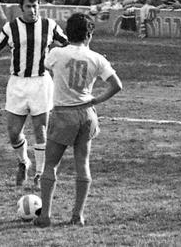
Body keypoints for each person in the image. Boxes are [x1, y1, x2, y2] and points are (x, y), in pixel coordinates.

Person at [36, 12, 123, 228]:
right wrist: (95, 99)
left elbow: (46, 64)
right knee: (82, 163)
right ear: (89, 35)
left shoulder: (57, 53)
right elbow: (116, 85)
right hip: (86, 114)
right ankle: (78, 215)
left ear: (68, 32)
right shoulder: (96, 58)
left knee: (50, 164)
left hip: (63, 112)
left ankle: (45, 215)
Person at [0, 0, 68, 189]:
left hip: (41, 82)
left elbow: (68, 44)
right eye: (28, 7)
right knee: (13, 132)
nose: (32, 10)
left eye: (35, 6)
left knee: (40, 130)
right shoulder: (11, 28)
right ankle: (24, 161)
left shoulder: (49, 26)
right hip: (17, 84)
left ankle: (40, 173)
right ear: (20, 8)